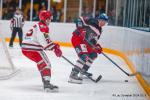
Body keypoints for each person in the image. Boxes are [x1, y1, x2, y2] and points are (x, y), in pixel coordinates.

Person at [21, 10, 62, 92]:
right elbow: (44, 41)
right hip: (33, 49)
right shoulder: (43, 27)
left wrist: (54, 46)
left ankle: (45, 80)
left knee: (41, 63)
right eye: (49, 19)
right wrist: (54, 48)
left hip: (26, 48)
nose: (50, 21)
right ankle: (46, 83)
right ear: (45, 19)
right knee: (46, 64)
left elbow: (44, 39)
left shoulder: (39, 25)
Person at [68, 13, 108, 84]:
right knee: (84, 56)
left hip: (85, 43)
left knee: (93, 55)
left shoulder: (100, 31)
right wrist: (81, 30)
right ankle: (73, 75)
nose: (104, 23)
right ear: (99, 19)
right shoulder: (92, 20)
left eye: (105, 22)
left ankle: (83, 71)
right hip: (77, 38)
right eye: (103, 21)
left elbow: (93, 42)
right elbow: (78, 19)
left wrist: (97, 47)